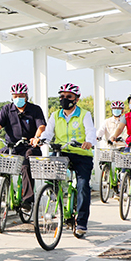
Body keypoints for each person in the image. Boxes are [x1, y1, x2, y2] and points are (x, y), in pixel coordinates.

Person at [32, 83, 96, 238]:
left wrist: (89, 142)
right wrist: (39, 139)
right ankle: (54, 192)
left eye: (69, 96)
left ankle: (81, 222)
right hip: (61, 152)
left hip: (81, 154)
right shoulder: (55, 115)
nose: (64, 99)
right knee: (48, 166)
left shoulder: (84, 114)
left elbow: (91, 131)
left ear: (76, 99)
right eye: (61, 96)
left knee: (82, 186)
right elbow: (48, 132)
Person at [0, 82, 46, 211]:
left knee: (26, 166)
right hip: (12, 146)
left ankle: (27, 201)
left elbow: (41, 126)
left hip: (29, 147)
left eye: (21, 95)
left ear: (26, 95)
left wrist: (36, 137)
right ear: (12, 97)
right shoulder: (7, 109)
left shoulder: (35, 109)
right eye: (15, 95)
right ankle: (5, 188)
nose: (18, 98)